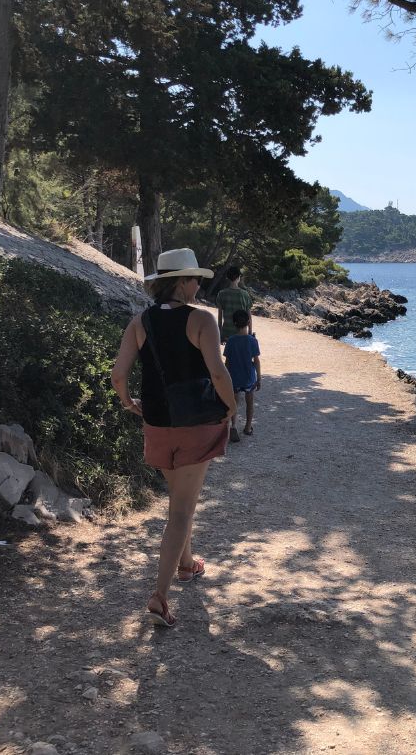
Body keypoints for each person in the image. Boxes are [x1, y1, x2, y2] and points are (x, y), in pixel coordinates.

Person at [111, 248, 236, 628]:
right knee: (180, 511)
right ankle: (159, 596)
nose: (199, 284)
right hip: (196, 422)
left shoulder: (141, 321)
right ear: (182, 282)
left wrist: (128, 402)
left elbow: (118, 374)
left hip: (157, 423)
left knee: (180, 501)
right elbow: (217, 372)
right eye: (195, 278)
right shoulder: (201, 320)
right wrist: (231, 407)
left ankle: (186, 564)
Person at [223, 309, 261, 442]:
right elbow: (256, 361)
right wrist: (259, 379)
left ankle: (233, 426)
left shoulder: (231, 341)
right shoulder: (252, 341)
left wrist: (225, 379)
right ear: (249, 322)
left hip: (234, 377)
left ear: (234, 323)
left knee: (234, 402)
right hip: (249, 377)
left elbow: (227, 362)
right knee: (249, 402)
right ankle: (248, 427)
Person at [216, 265, 253, 343]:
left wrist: (219, 333)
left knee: (229, 354)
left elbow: (220, 317)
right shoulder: (245, 294)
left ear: (228, 277)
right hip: (242, 333)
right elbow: (249, 316)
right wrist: (250, 332)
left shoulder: (221, 294)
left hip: (226, 333)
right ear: (239, 277)